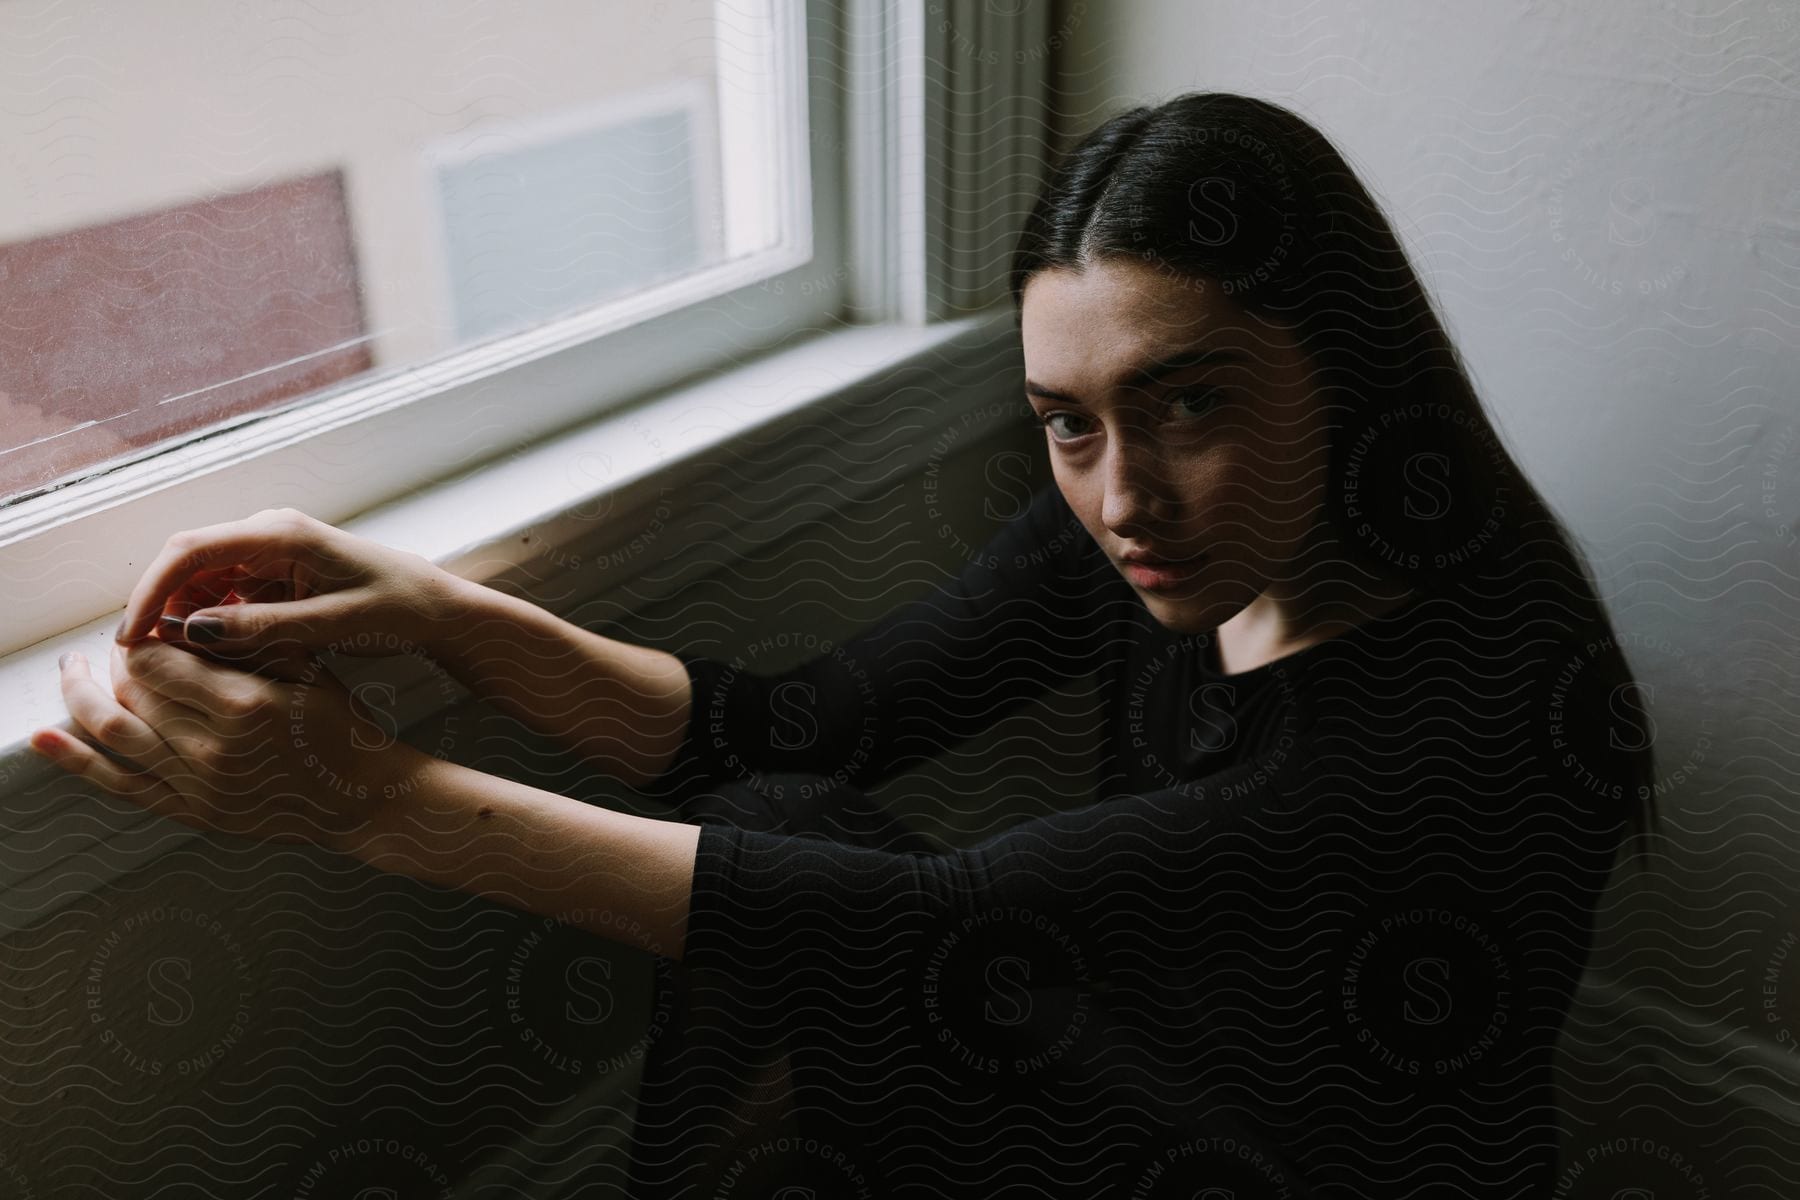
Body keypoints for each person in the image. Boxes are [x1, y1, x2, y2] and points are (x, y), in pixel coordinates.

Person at [36, 92, 1656, 1197]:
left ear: (1352, 371)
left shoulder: (1468, 704)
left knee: (827, 909)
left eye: (1194, 403)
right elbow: (801, 725)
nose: (1122, 493)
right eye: (1065, 424)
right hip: (1143, 1059)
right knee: (784, 829)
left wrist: (364, 801)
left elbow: (929, 920)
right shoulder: (1165, 534)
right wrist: (447, 618)